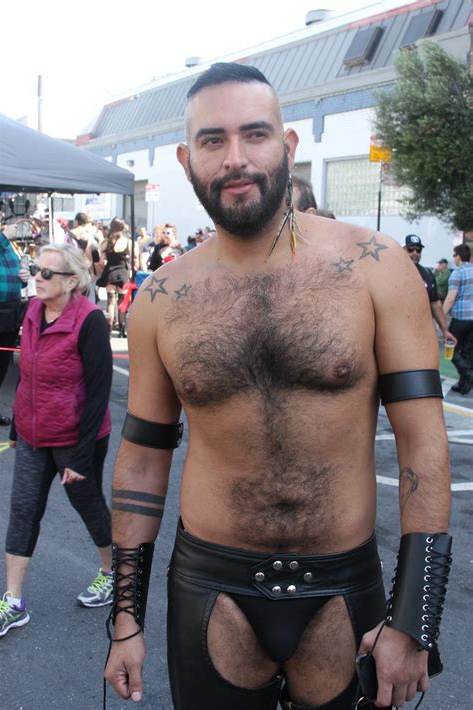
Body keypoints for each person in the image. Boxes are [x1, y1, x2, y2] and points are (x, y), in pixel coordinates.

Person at [105, 63, 452, 710]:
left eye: (255, 135)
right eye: (213, 140)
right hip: (212, 588)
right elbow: (143, 463)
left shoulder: (374, 269)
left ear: (287, 147)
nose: (236, 158)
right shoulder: (161, 299)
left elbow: (423, 447)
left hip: (344, 587)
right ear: (186, 159)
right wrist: (124, 619)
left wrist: (415, 621)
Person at [0, 245, 114, 638]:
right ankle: (13, 601)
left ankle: (111, 572)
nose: (38, 277)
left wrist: (80, 457)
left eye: (48, 273)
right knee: (23, 511)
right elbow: (28, 375)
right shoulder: (33, 310)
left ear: (72, 281)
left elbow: (99, 392)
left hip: (75, 438)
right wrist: (17, 424)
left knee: (90, 506)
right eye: (35, 269)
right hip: (33, 434)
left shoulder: (90, 320)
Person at [0, 222, 29, 426]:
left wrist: (24, 277)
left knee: (1, 365)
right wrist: (3, 236)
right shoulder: (4, 239)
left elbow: (15, 272)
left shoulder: (6, 243)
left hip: (9, 311)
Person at [403, 234, 456, 347]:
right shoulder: (392, 273)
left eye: (418, 250)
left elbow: (435, 303)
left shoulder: (427, 273)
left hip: (423, 333)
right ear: (402, 250)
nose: (415, 253)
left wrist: (445, 330)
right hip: (399, 334)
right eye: (410, 249)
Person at [442, 244, 473, 395]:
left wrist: (440, 315)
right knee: (467, 351)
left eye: (454, 255)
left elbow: (450, 298)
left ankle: (469, 376)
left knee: (451, 349)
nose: (453, 258)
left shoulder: (457, 273)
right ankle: (463, 384)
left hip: (461, 318)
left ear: (459, 256)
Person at [99, 218, 133, 337]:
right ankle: (122, 329)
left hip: (110, 272)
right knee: (122, 302)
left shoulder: (106, 242)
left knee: (111, 301)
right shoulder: (127, 242)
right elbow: (132, 259)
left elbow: (102, 261)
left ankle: (109, 328)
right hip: (123, 272)